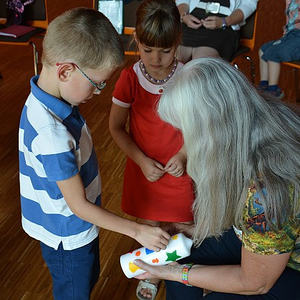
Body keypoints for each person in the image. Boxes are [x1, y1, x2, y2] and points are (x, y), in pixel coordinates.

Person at [18, 7, 170, 300]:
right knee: (76, 289)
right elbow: (79, 206)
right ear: (65, 70)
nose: (99, 91)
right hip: (68, 233)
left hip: (66, 225)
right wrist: (137, 231)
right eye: (96, 83)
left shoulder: (46, 94)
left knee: (87, 278)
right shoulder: (52, 135)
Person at [133, 57, 300, 300]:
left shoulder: (265, 190)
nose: (184, 140)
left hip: (288, 269)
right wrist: (196, 230)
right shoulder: (269, 117)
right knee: (182, 250)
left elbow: (255, 282)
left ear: (211, 131)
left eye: (186, 130)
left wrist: (175, 273)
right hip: (270, 242)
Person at [109, 0, 195, 299]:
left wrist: (183, 154)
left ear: (178, 43)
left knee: (185, 225)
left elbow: (200, 128)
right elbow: (116, 127)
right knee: (149, 226)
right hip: (145, 170)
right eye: (148, 50)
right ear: (137, 41)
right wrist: (142, 161)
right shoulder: (130, 78)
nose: (156, 59)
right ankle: (152, 271)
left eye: (165, 50)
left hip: (180, 167)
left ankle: (177, 271)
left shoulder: (188, 78)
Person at [176, 0, 257, 62]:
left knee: (201, 60)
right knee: (171, 57)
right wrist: (184, 16)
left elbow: (249, 4)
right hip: (192, 21)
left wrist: (225, 21)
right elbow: (182, 1)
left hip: (224, 26)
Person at [258, 0, 300, 99]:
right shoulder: (289, 1)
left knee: (273, 54)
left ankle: (273, 91)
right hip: (290, 36)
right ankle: (264, 85)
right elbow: (289, 21)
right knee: (263, 50)